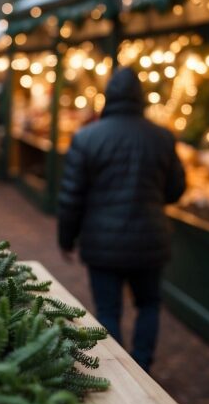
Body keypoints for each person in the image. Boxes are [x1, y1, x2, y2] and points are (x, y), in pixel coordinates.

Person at [57, 67, 186, 373]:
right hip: (149, 239)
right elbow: (176, 188)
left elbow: (71, 197)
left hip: (103, 242)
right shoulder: (162, 137)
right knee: (149, 304)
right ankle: (142, 365)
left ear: (108, 97)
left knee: (108, 310)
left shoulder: (87, 137)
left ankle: (119, 374)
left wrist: (66, 238)